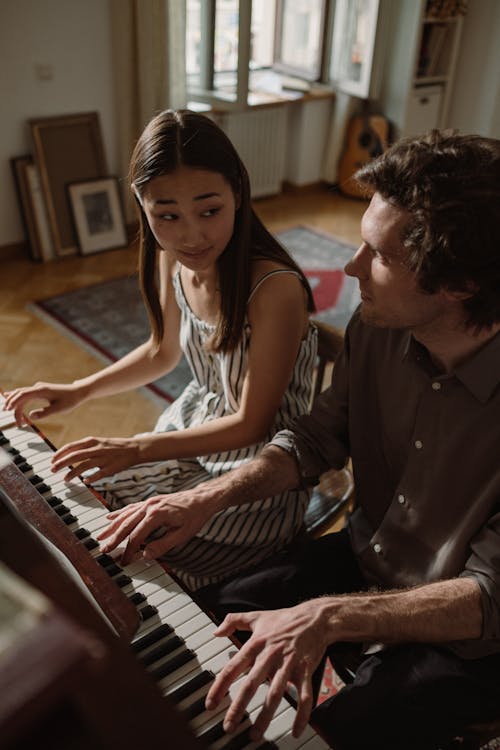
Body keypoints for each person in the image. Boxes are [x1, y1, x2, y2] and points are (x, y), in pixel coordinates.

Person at [91, 130, 500, 749]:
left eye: (379, 256)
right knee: (203, 618)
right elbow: (314, 438)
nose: (350, 266)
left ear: (461, 285)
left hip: (471, 639)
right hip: (367, 561)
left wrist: (326, 616)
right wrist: (207, 498)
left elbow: (486, 599)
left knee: (325, 733)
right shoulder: (377, 325)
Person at [3, 109, 319, 592]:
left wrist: (134, 448)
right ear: (141, 204)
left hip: (258, 474)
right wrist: (78, 390)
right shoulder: (169, 257)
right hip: (194, 433)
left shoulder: (274, 287)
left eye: (209, 210)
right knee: (73, 506)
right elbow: (161, 352)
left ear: (238, 189)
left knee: (123, 552)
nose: (191, 235)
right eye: (166, 216)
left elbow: (252, 424)